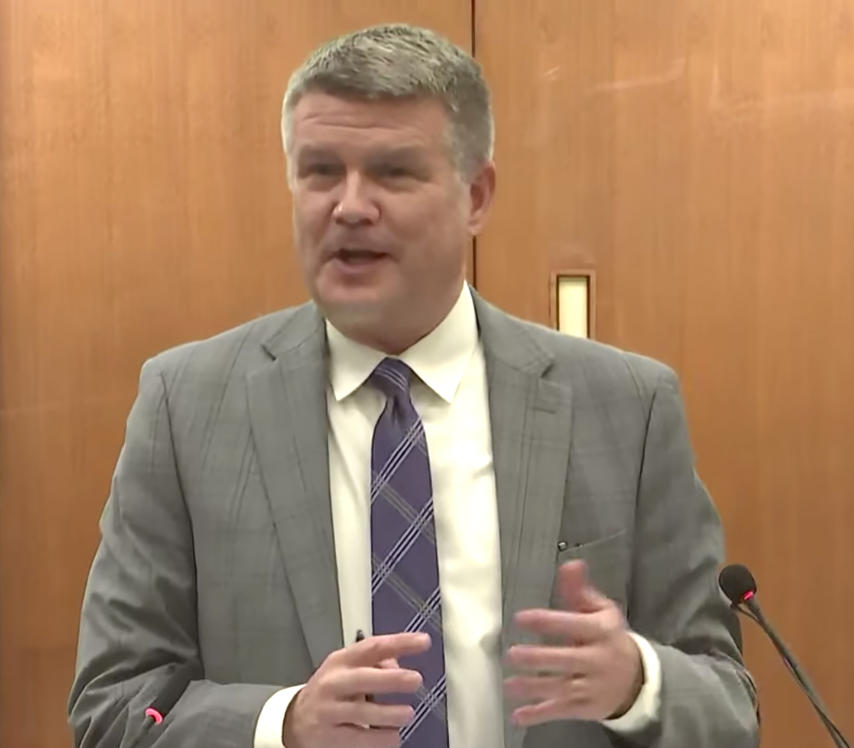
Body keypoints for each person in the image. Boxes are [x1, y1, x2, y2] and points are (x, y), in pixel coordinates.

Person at [68, 23, 758, 748]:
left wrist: (636, 684)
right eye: (320, 171)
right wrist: (283, 726)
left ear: (477, 195)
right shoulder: (187, 408)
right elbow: (113, 708)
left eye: (393, 172)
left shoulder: (625, 407)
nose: (350, 205)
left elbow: (728, 708)